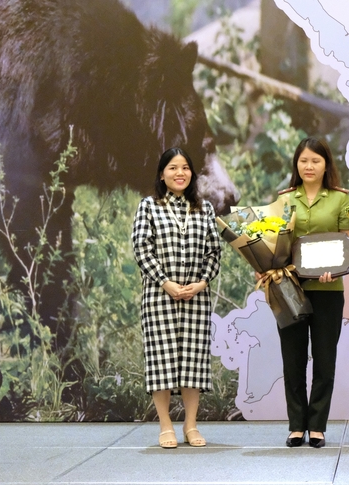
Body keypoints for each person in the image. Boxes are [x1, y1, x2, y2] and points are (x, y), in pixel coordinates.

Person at [132, 147, 222, 449]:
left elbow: (214, 252)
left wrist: (201, 283)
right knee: (162, 360)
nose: (180, 173)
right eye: (172, 167)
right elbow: (142, 250)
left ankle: (191, 425)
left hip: (196, 298)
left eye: (185, 168)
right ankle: (166, 425)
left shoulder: (204, 209)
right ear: (162, 174)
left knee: (193, 361)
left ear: (192, 174)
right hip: (160, 297)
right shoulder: (148, 207)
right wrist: (166, 282)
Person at [275, 137, 349, 448]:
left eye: (315, 161)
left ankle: (318, 425)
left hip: (328, 288)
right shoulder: (284, 200)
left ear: (326, 165)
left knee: (324, 359)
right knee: (292, 359)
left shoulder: (340, 200)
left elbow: (347, 244)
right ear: (297, 164)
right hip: (289, 289)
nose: (308, 166)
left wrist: (333, 268)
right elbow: (274, 241)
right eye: (303, 160)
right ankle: (296, 425)